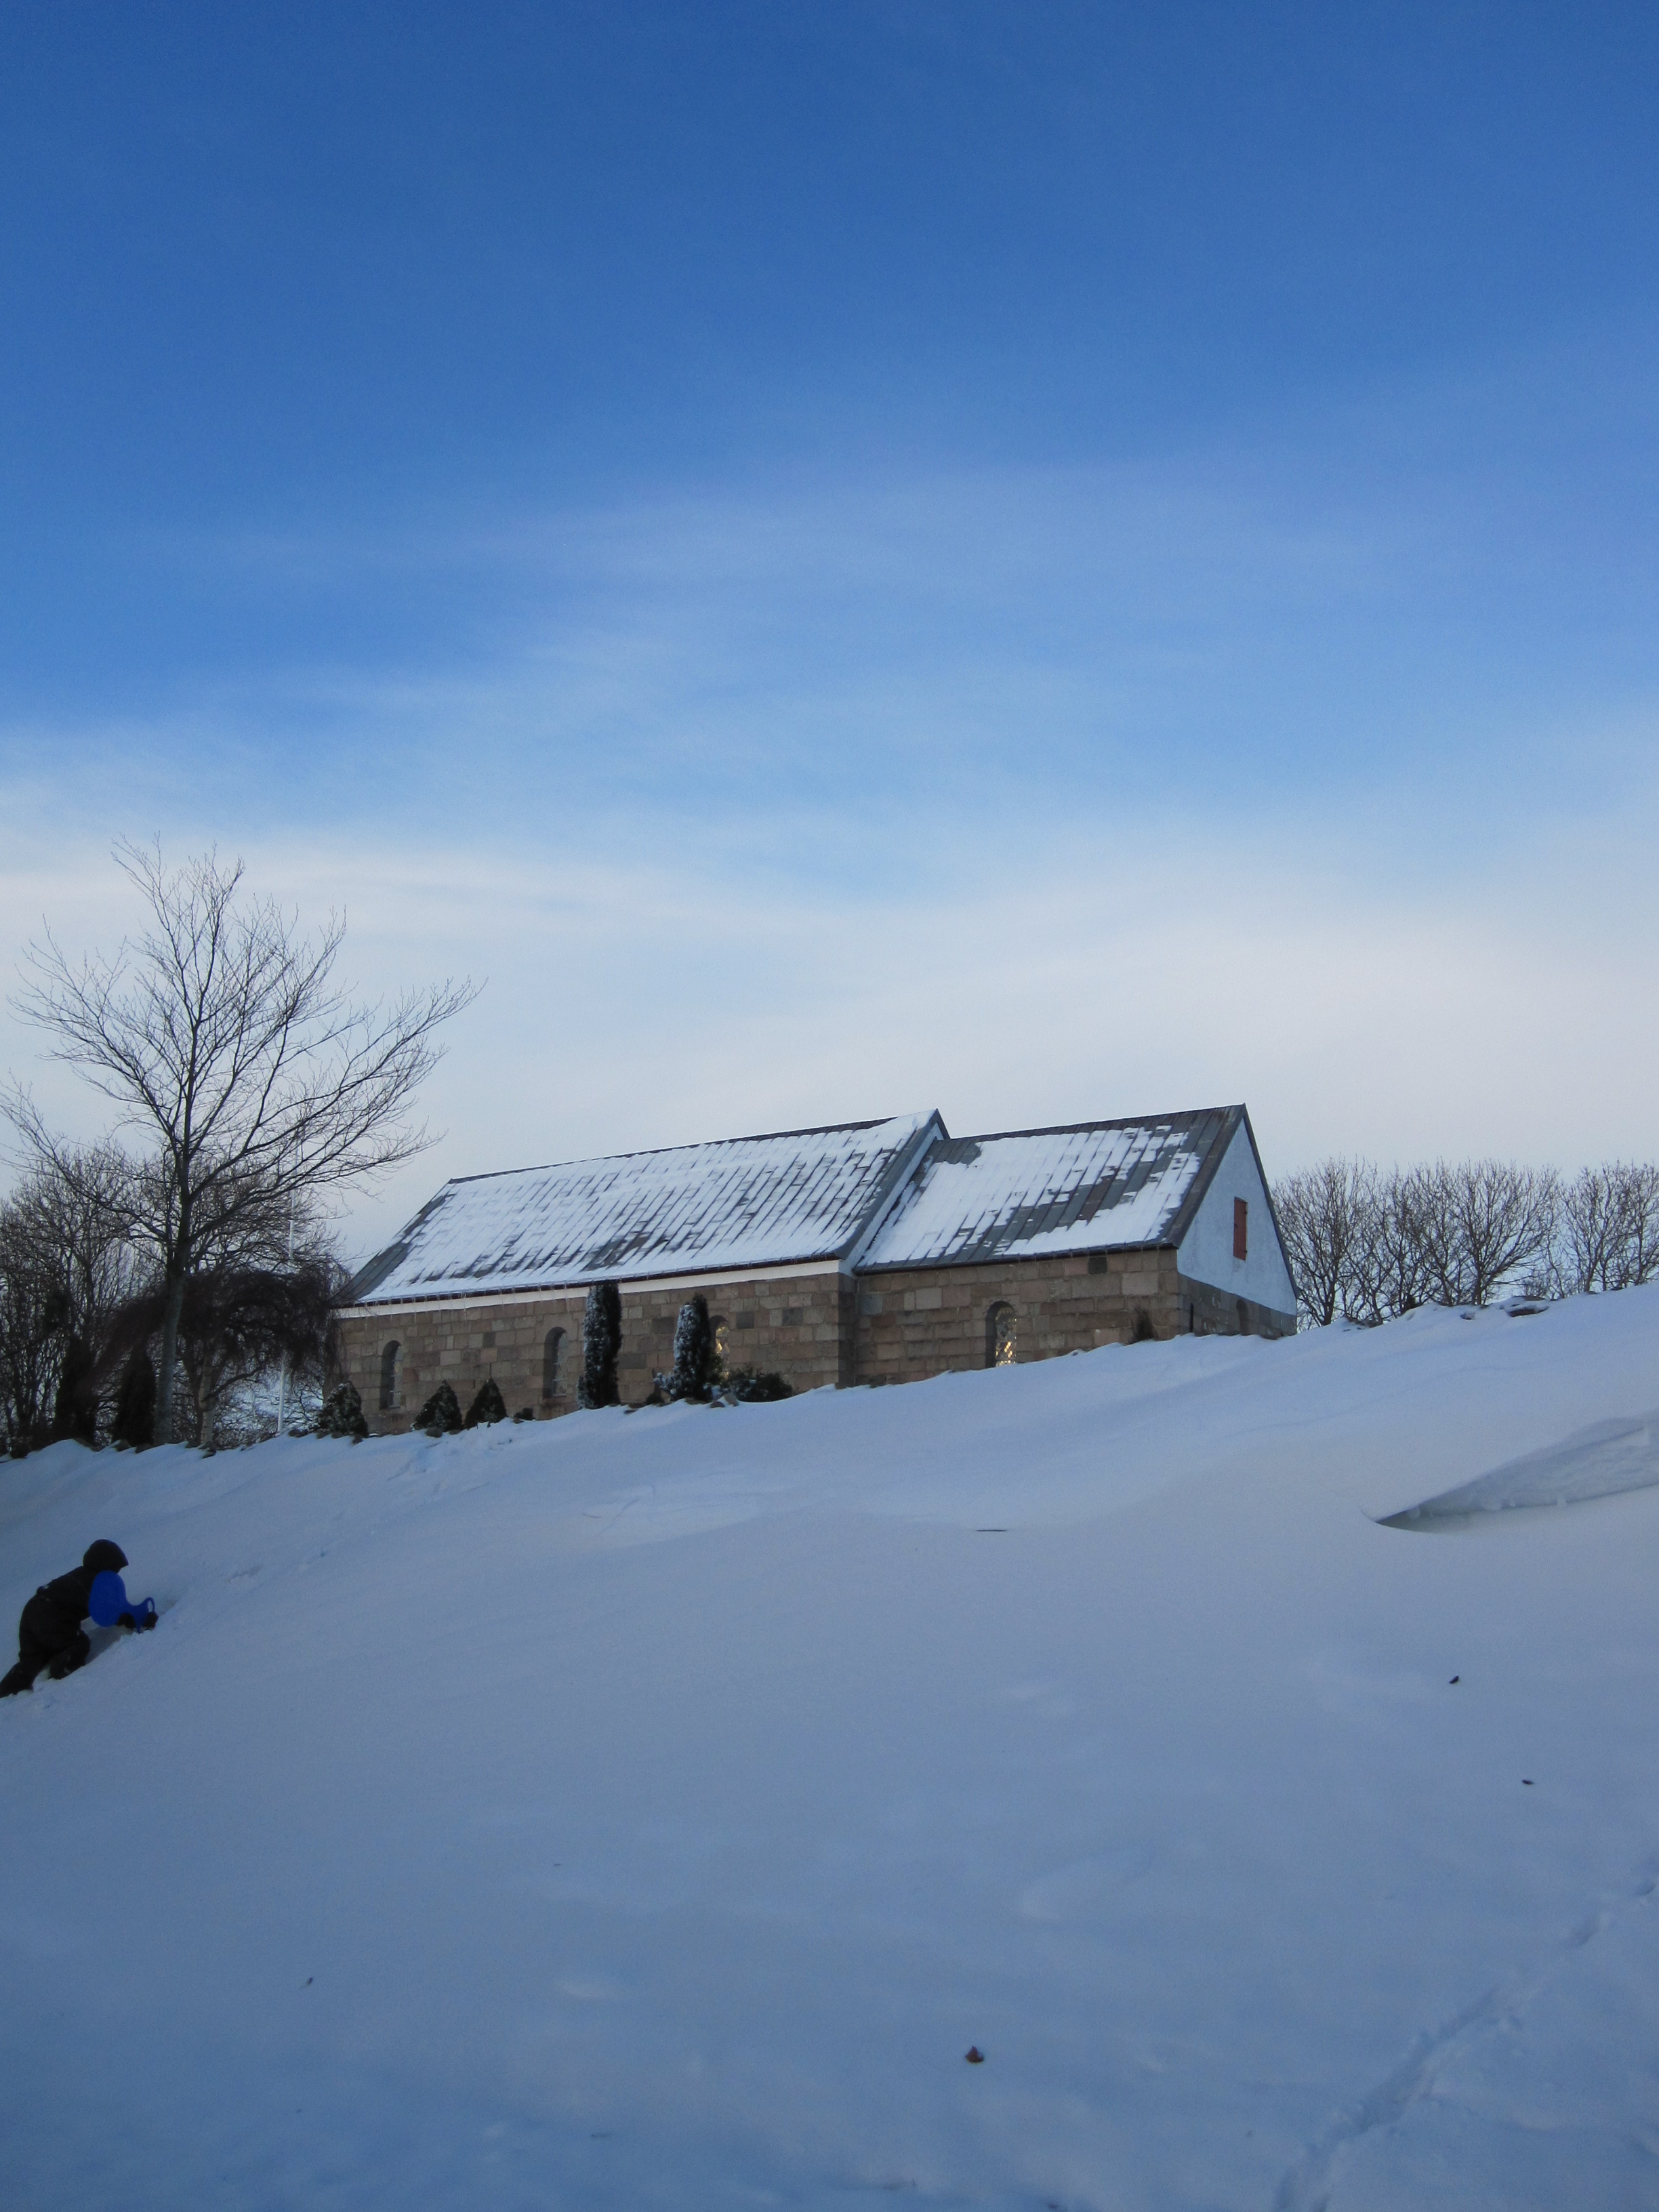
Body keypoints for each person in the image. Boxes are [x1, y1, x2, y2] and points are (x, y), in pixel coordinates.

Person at [0, 1540, 157, 1697]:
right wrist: (138, 1620)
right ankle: (61, 1677)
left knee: (32, 1658)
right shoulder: (94, 1582)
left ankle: (6, 1691)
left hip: (33, 1609)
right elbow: (112, 1611)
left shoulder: (80, 1576)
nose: (115, 1575)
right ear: (105, 1564)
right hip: (50, 1612)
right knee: (78, 1643)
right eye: (115, 1570)